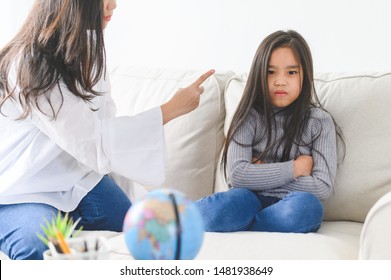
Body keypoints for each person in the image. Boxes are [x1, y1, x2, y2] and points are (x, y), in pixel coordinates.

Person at [0, 0, 214, 260]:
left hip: (79, 179)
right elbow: (91, 141)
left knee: (141, 231)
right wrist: (169, 110)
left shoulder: (88, 50)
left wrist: (129, 197)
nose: (114, 5)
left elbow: (107, 129)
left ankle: (66, 217)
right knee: (37, 246)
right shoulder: (29, 62)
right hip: (24, 188)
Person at [196, 30, 344, 233]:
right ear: (259, 74)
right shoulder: (249, 117)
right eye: (270, 72)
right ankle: (173, 216)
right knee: (228, 204)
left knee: (307, 207)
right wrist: (295, 168)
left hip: (291, 204)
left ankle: (249, 224)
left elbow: (321, 186)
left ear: (305, 75)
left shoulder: (319, 121)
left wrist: (259, 174)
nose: (280, 81)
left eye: (291, 72)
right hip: (247, 199)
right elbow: (238, 176)